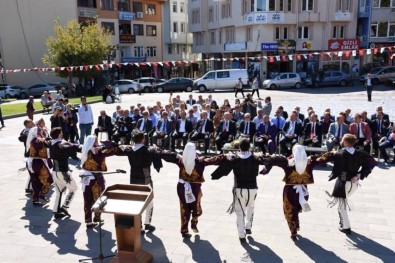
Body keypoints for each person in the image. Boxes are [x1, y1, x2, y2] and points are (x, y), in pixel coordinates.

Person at [261, 145, 335, 240]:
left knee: (289, 211)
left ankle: (293, 231)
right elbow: (324, 158)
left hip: (290, 191)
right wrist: (333, 153)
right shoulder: (309, 162)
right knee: (296, 208)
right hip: (304, 191)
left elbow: (273, 159)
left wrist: (266, 168)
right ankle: (297, 224)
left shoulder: (288, 162)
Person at [160, 143, 225, 238]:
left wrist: (161, 151)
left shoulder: (181, 160)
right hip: (195, 188)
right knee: (196, 206)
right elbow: (214, 160)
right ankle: (194, 222)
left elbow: (166, 155)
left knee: (184, 208)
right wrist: (225, 156)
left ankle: (184, 230)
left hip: (182, 187)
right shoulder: (200, 161)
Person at [211, 139, 266, 243]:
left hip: (239, 189)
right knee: (251, 207)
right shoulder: (255, 158)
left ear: (239, 148)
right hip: (252, 188)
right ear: (249, 147)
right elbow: (267, 161)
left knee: (240, 213)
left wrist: (215, 175)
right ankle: (248, 226)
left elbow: (223, 169)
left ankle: (241, 235)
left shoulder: (235, 158)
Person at [326, 134, 377, 235]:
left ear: (344, 141)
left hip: (343, 183)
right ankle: (343, 224)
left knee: (341, 206)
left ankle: (346, 227)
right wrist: (359, 174)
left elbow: (327, 160)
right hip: (354, 183)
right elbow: (373, 162)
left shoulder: (341, 153)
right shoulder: (360, 153)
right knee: (342, 204)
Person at [117, 132, 163, 233]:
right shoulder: (148, 150)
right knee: (149, 202)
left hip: (133, 179)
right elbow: (159, 153)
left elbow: (119, 149)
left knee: (137, 203)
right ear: (143, 140)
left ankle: (140, 227)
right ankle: (147, 223)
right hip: (145, 178)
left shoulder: (129, 149)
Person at [80, 135, 119, 228]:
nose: (98, 143)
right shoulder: (100, 151)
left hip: (86, 177)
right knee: (99, 199)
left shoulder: (85, 150)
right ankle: (97, 217)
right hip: (96, 178)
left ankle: (88, 221)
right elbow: (115, 149)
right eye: (96, 141)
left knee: (87, 199)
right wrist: (107, 143)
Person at [49, 127, 80, 219]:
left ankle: (56, 211)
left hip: (55, 172)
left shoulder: (52, 143)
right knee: (73, 188)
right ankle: (65, 207)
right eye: (61, 132)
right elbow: (72, 148)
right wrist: (77, 146)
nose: (62, 133)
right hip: (63, 172)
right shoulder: (60, 144)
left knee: (59, 191)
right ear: (59, 134)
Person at [25, 126, 53, 206]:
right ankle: (42, 194)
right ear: (37, 132)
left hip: (32, 163)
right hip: (39, 163)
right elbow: (48, 143)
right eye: (40, 131)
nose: (42, 132)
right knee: (49, 180)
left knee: (35, 182)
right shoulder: (38, 140)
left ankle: (35, 200)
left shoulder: (32, 140)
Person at [18, 119, 35, 194]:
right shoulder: (27, 131)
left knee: (33, 170)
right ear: (28, 124)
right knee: (32, 170)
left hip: (31, 153)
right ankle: (29, 187)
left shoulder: (29, 130)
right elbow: (22, 138)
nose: (33, 122)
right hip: (29, 153)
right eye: (31, 122)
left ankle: (29, 187)